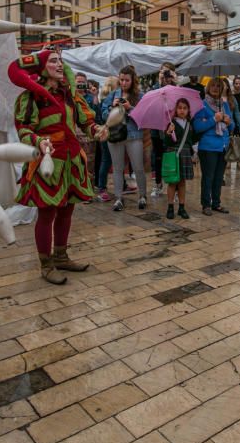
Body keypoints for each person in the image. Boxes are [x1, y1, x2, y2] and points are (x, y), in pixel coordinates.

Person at [11, 50, 106, 285]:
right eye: (53, 61)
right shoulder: (30, 97)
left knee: (67, 209)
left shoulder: (70, 94)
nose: (60, 64)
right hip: (48, 160)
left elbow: (86, 121)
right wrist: (37, 142)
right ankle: (46, 264)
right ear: (42, 68)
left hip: (72, 159)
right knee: (47, 212)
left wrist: (97, 130)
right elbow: (23, 129)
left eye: (61, 60)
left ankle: (61, 256)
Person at [102, 65, 148, 211]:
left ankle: (142, 196)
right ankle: (118, 198)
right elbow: (103, 114)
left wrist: (130, 108)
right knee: (117, 168)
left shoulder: (140, 96)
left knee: (138, 167)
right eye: (121, 80)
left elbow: (142, 118)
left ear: (133, 80)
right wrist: (112, 109)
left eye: (127, 80)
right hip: (116, 135)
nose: (123, 83)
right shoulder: (113, 94)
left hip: (134, 135)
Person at [194, 77, 236, 215]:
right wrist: (214, 119)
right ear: (208, 87)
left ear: (222, 89)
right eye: (213, 85)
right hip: (207, 147)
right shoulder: (202, 105)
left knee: (219, 177)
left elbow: (232, 126)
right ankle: (206, 204)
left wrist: (229, 122)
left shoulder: (224, 105)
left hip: (222, 146)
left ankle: (216, 203)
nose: (215, 88)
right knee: (208, 177)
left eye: (218, 86)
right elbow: (198, 126)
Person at [162, 98, 197, 219]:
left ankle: (182, 207)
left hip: (186, 154)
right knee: (172, 182)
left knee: (182, 183)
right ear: (176, 110)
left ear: (188, 110)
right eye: (180, 108)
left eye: (185, 108)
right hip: (174, 155)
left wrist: (193, 155)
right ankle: (170, 207)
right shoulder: (171, 124)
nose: (182, 110)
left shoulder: (189, 125)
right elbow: (166, 143)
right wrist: (168, 132)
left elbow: (190, 141)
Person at [150, 65, 178, 198]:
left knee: (172, 157)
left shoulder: (177, 88)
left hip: (172, 128)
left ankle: (175, 188)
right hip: (157, 128)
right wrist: (160, 82)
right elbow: (150, 99)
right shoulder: (156, 89)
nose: (166, 76)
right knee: (158, 157)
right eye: (163, 72)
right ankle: (158, 184)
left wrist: (174, 81)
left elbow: (181, 101)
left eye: (168, 72)